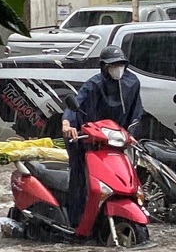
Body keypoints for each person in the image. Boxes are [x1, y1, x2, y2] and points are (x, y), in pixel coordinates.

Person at [61, 45, 144, 228]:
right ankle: (75, 220)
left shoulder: (132, 83)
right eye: (113, 65)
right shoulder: (94, 85)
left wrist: (132, 133)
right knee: (80, 175)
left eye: (121, 64)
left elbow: (137, 113)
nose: (117, 69)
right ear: (104, 67)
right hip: (88, 139)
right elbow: (75, 105)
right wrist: (67, 124)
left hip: (116, 140)